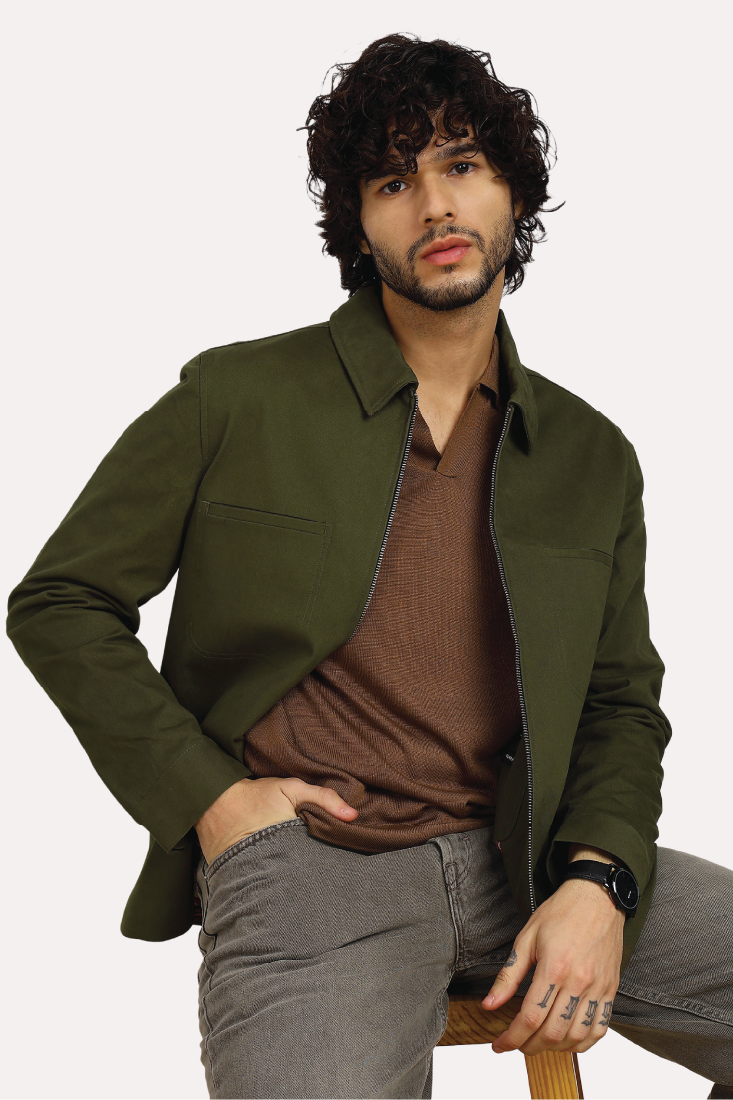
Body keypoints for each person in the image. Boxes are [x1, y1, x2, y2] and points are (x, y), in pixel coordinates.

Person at [6, 32, 731, 1100]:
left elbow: (620, 700)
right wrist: (212, 798)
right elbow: (61, 600)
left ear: (513, 194)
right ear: (356, 223)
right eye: (393, 181)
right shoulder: (237, 397)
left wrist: (600, 878)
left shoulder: (589, 455)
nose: (434, 206)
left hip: (532, 857)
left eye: (462, 165)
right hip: (314, 870)